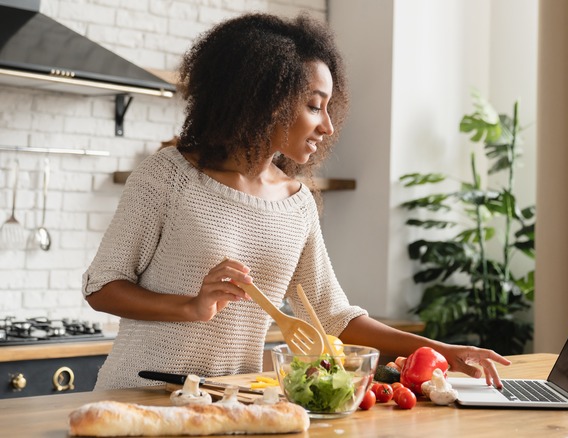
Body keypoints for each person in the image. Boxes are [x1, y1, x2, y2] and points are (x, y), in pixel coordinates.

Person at [83, 12, 510, 390]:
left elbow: (333, 316)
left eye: (328, 108)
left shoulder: (297, 202)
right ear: (264, 100)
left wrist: (441, 350)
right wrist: (191, 306)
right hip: (140, 394)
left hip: (231, 401)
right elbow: (102, 287)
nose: (327, 125)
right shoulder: (168, 176)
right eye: (313, 106)